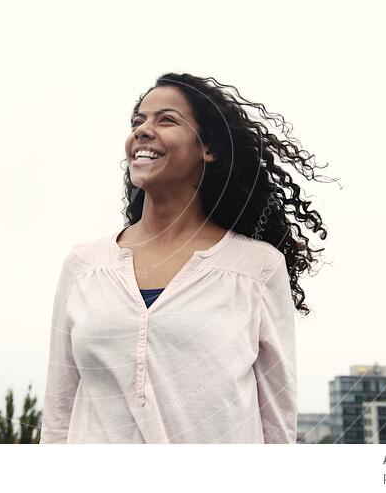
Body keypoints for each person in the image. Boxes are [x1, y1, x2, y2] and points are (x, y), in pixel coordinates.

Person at [39, 73, 334, 443]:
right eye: (138, 121)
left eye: (166, 119)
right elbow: (58, 415)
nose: (143, 131)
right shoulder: (83, 266)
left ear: (207, 149)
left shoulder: (257, 268)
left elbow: (276, 424)